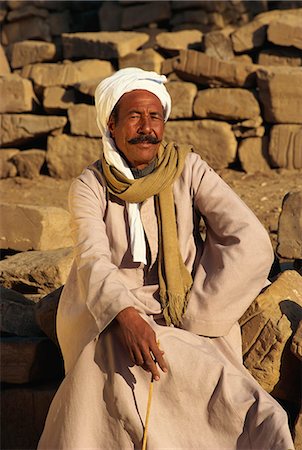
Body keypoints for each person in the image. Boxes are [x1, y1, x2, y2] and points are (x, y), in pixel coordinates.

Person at [38, 68, 294, 450]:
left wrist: (199, 311)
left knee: (253, 413)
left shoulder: (187, 168)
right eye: (135, 117)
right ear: (112, 124)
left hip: (186, 318)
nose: (147, 128)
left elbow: (251, 239)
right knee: (102, 398)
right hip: (112, 320)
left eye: (155, 117)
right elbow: (92, 257)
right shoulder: (89, 185)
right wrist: (124, 315)